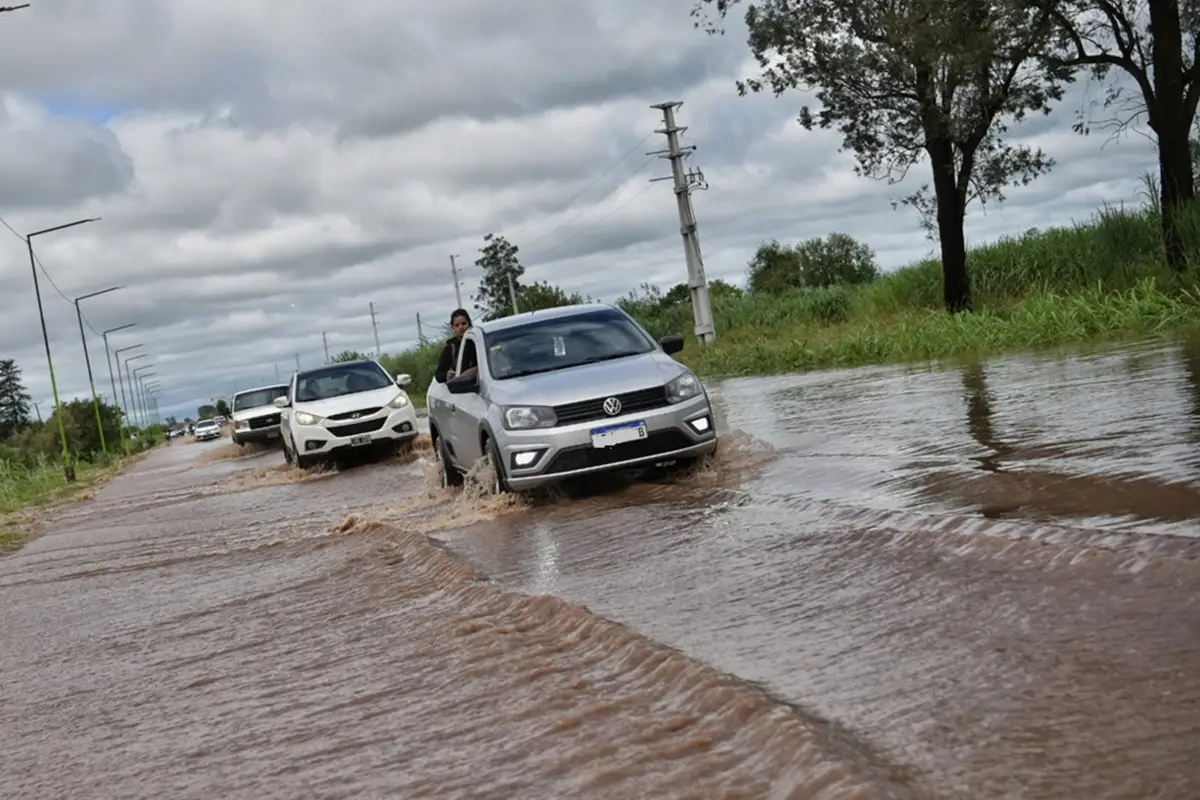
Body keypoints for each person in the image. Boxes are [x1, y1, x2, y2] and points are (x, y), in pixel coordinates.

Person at [435, 308, 476, 383]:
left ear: (469, 324)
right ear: (453, 328)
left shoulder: (478, 342)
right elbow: (438, 375)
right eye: (457, 325)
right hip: (460, 389)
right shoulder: (450, 348)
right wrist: (447, 375)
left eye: (463, 324)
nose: (461, 327)